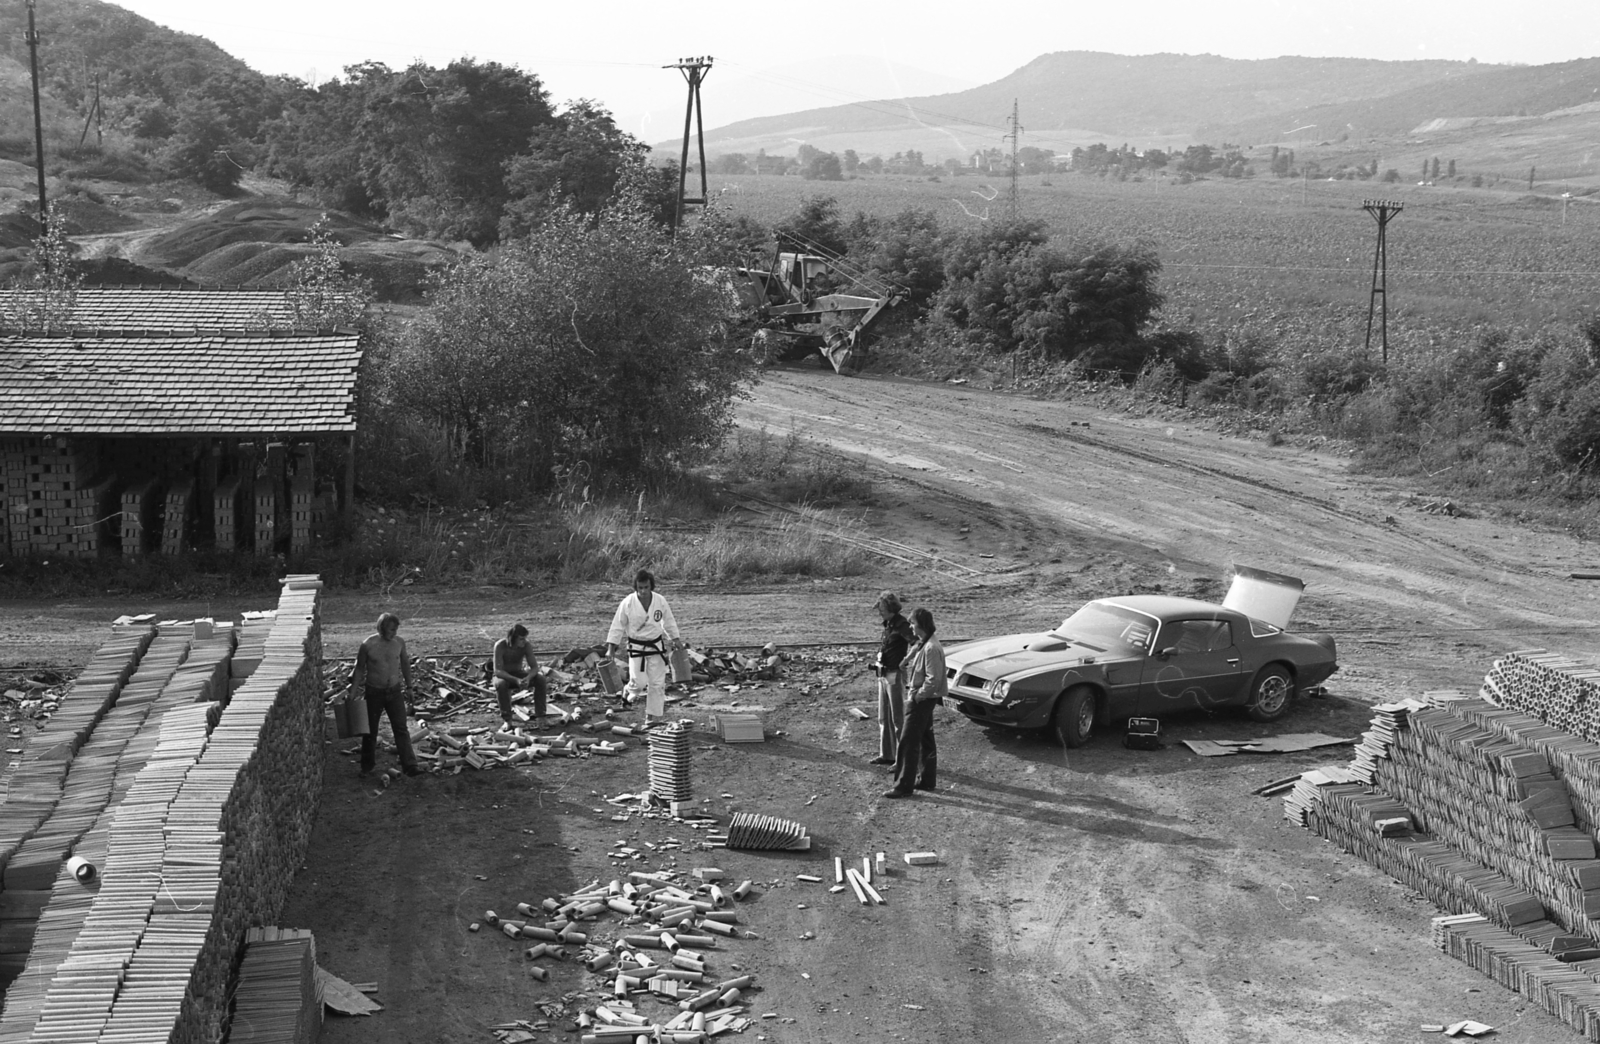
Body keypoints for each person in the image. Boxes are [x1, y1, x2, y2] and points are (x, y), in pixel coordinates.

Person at [605, 569, 682, 724]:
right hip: (637, 648)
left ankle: (652, 718)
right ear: (636, 587)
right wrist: (611, 648)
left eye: (646, 587)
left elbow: (668, 621)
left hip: (656, 646)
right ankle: (628, 691)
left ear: (651, 586)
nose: (643, 591)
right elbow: (617, 626)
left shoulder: (660, 601)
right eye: (640, 588)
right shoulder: (628, 602)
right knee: (639, 683)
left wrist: (676, 639)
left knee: (657, 683)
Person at [352, 612, 421, 778]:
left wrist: (410, 687)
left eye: (396, 629)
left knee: (401, 728)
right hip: (374, 691)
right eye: (391, 630)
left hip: (395, 691)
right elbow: (359, 668)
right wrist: (352, 692)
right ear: (382, 628)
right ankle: (367, 766)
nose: (394, 633)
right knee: (370, 731)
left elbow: (405, 663)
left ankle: (410, 765)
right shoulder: (368, 645)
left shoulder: (399, 643)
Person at [885, 607, 943, 798]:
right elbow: (915, 648)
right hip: (925, 698)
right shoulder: (926, 642)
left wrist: (918, 695)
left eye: (913, 624)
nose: (910, 627)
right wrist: (906, 660)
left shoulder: (932, 648)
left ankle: (903, 785)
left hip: (922, 699)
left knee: (908, 742)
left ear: (921, 625)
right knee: (926, 738)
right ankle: (926, 780)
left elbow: (933, 679)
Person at [869, 591, 915, 766]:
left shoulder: (902, 625)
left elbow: (917, 643)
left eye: (881, 608)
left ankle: (902, 758)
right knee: (884, 717)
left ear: (890, 608)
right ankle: (887, 754)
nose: (879, 612)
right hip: (883, 673)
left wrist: (905, 661)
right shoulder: (888, 624)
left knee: (897, 718)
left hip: (894, 674)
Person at [493, 623, 548, 726]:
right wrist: (515, 680)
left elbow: (534, 667)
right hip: (504, 676)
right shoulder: (500, 646)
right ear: (513, 639)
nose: (524, 641)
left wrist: (528, 678)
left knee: (540, 679)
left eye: (525, 638)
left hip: (518, 674)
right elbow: (498, 671)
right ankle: (507, 719)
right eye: (521, 639)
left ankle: (541, 716)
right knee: (501, 684)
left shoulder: (526, 645)